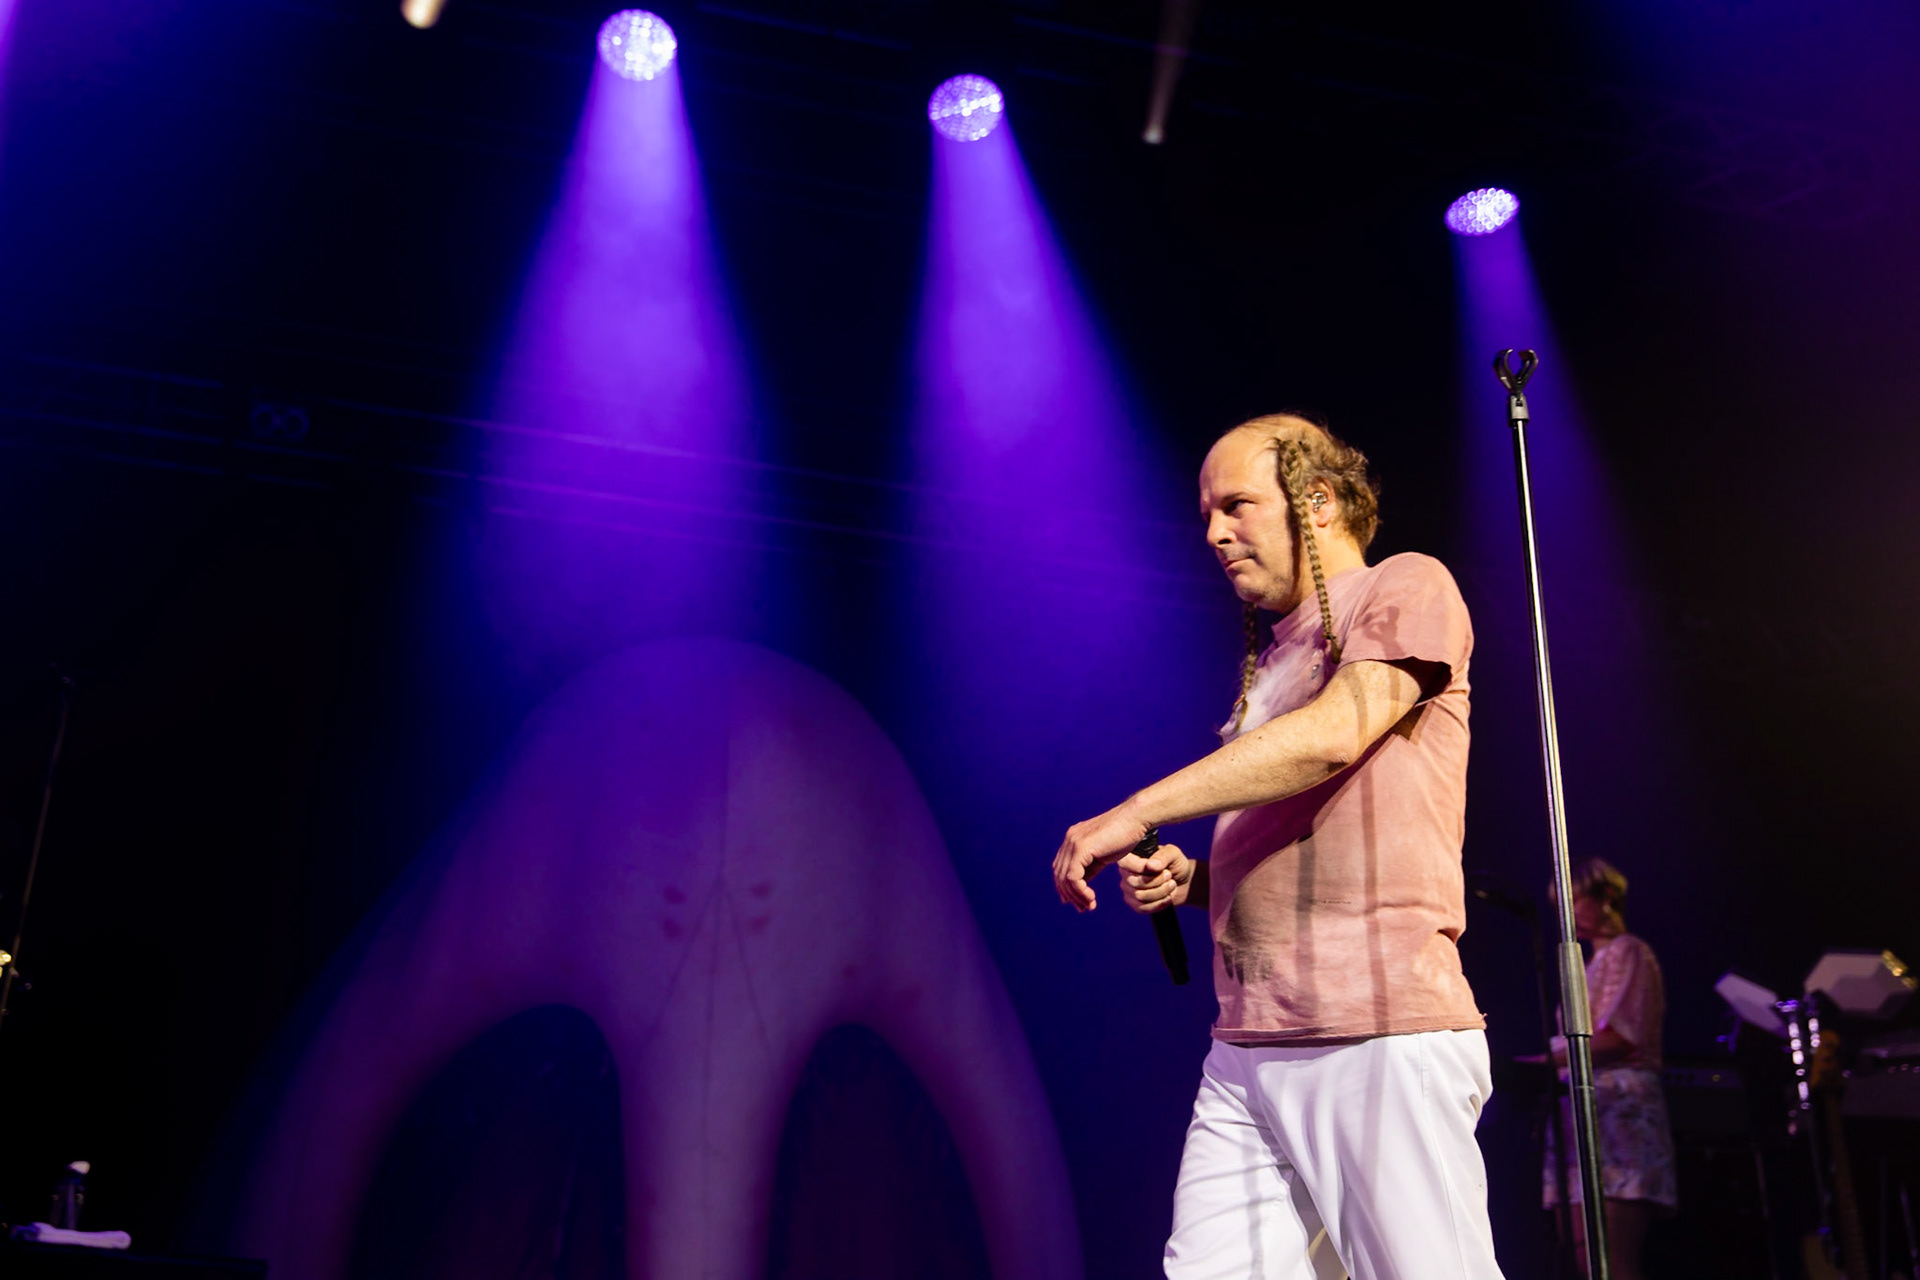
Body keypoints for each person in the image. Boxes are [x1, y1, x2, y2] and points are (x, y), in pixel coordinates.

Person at [1052, 414, 1505, 1280]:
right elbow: (1301, 825)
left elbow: (1337, 735)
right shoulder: (1276, 659)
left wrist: (1136, 810)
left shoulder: (1406, 585)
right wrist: (1195, 880)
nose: (1216, 535)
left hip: (1373, 1031)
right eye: (1207, 517)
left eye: (1238, 506)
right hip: (1251, 1044)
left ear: (1319, 501)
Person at [1543, 857, 1677, 1280]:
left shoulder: (1629, 952)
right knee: (1583, 1255)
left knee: (1615, 1255)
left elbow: (1619, 1036)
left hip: (1618, 1112)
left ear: (1604, 898)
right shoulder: (1586, 966)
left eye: (1575, 901)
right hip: (1579, 1112)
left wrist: (1543, 1060)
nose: (1568, 914)